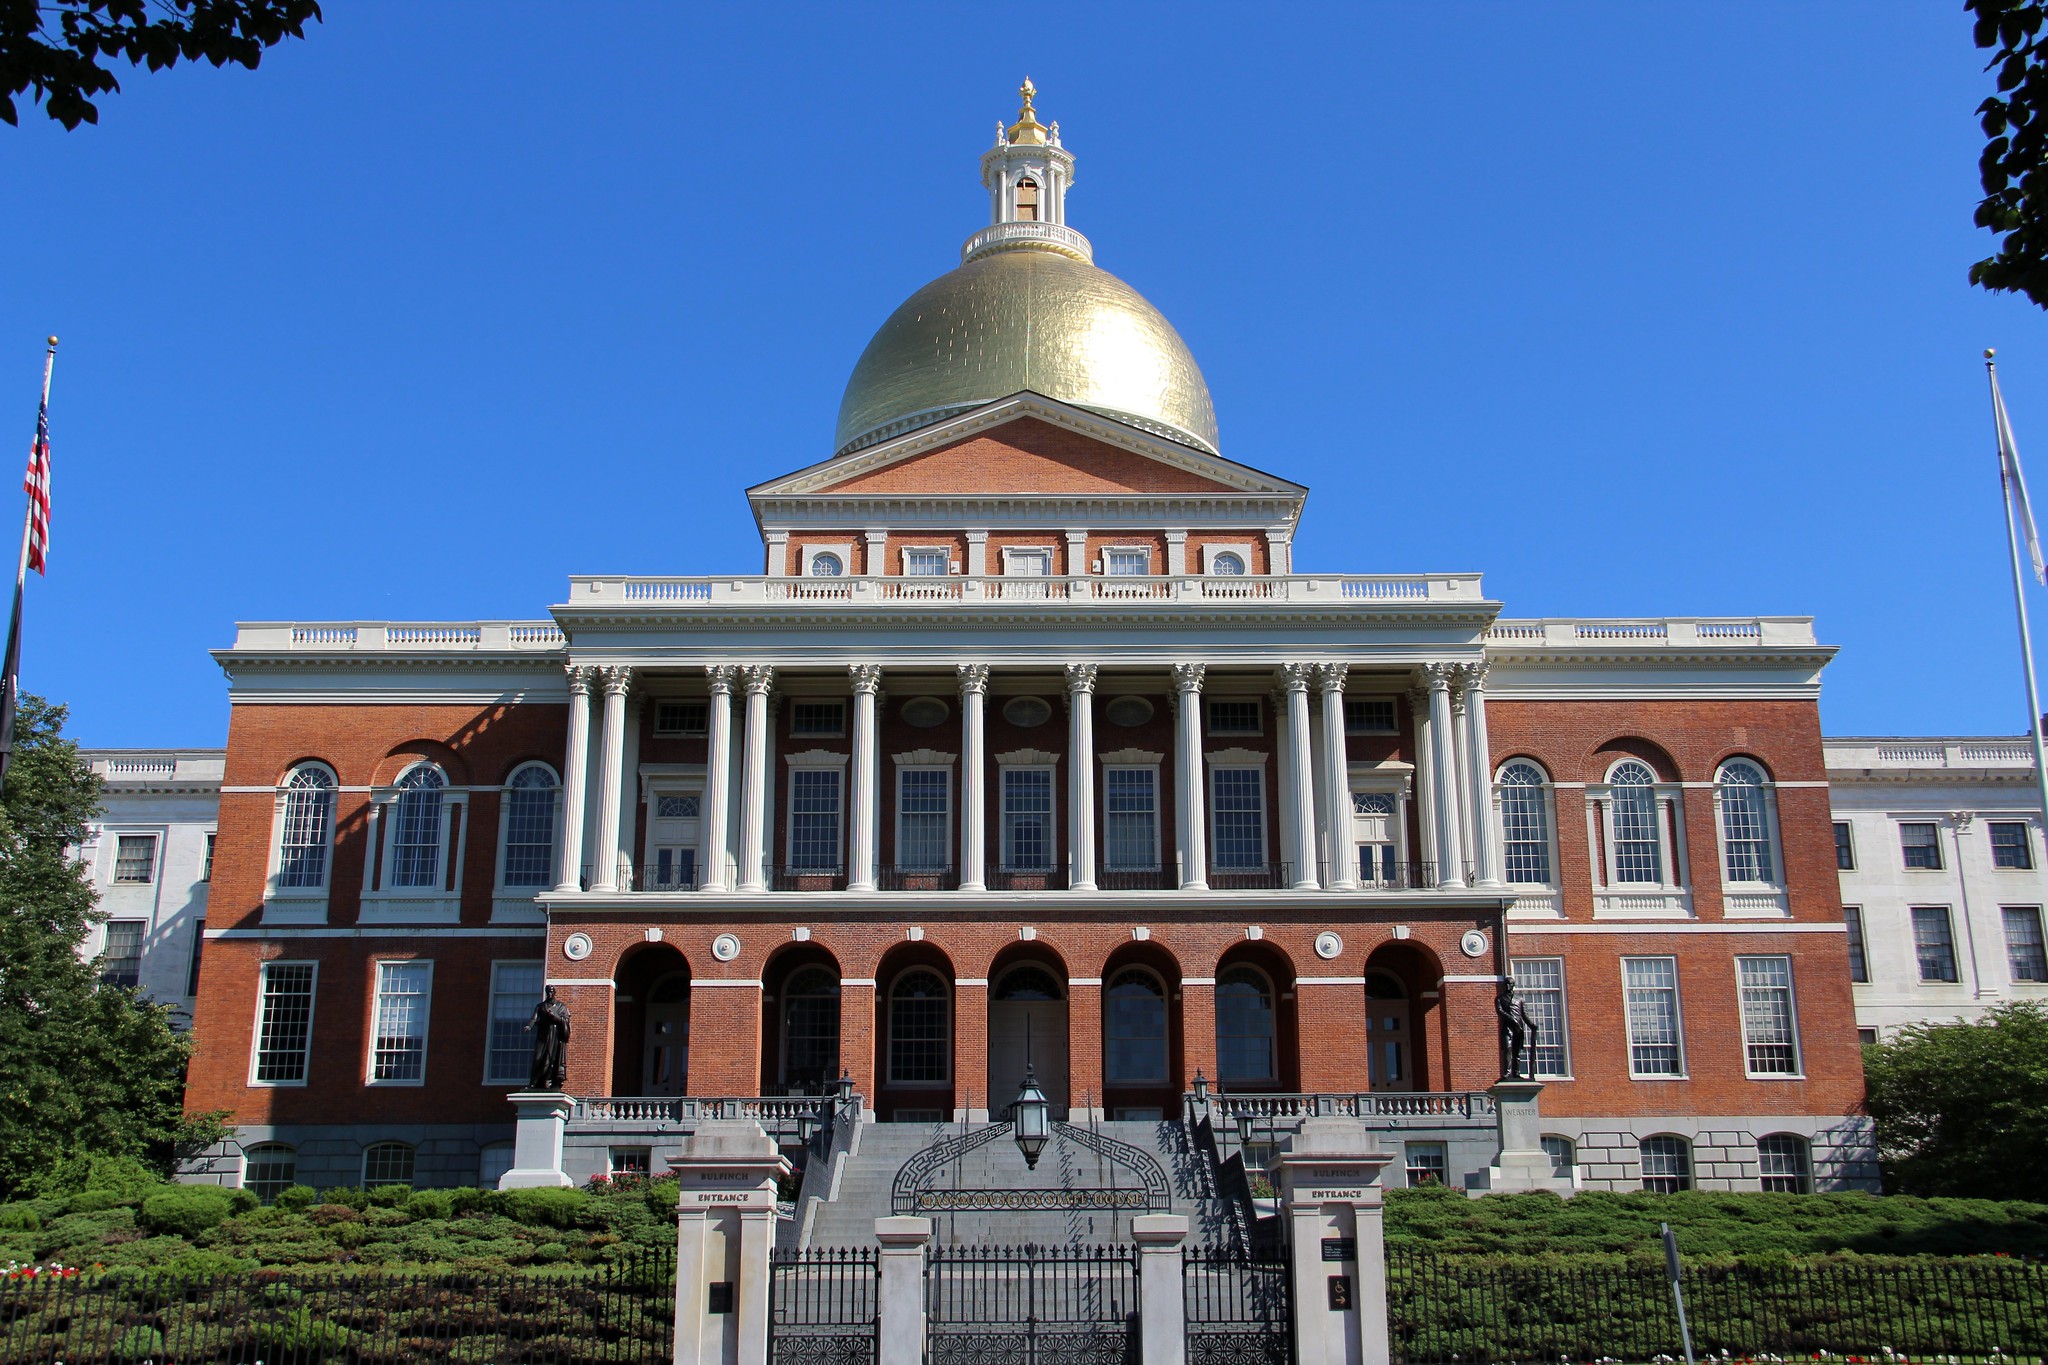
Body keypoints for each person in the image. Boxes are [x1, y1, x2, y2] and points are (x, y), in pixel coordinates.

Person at [526, 985, 572, 1091]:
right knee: (538, 1057)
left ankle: (548, 1081)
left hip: (554, 1036)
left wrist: (554, 1017)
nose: (550, 993)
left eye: (551, 991)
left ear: (554, 992)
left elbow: (565, 1020)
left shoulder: (561, 1006)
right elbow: (534, 1018)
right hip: (543, 1035)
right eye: (548, 992)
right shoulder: (541, 1006)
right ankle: (534, 1082)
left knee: (551, 1059)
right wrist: (529, 1026)